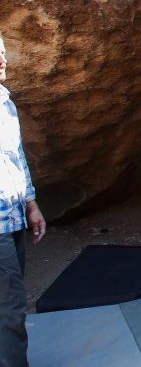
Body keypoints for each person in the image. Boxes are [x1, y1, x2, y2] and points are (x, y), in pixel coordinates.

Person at [0, 34, 46, 367]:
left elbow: (16, 156)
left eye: (2, 51)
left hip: (12, 216)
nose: (3, 59)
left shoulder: (5, 102)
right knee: (10, 308)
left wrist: (31, 204)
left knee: (8, 303)